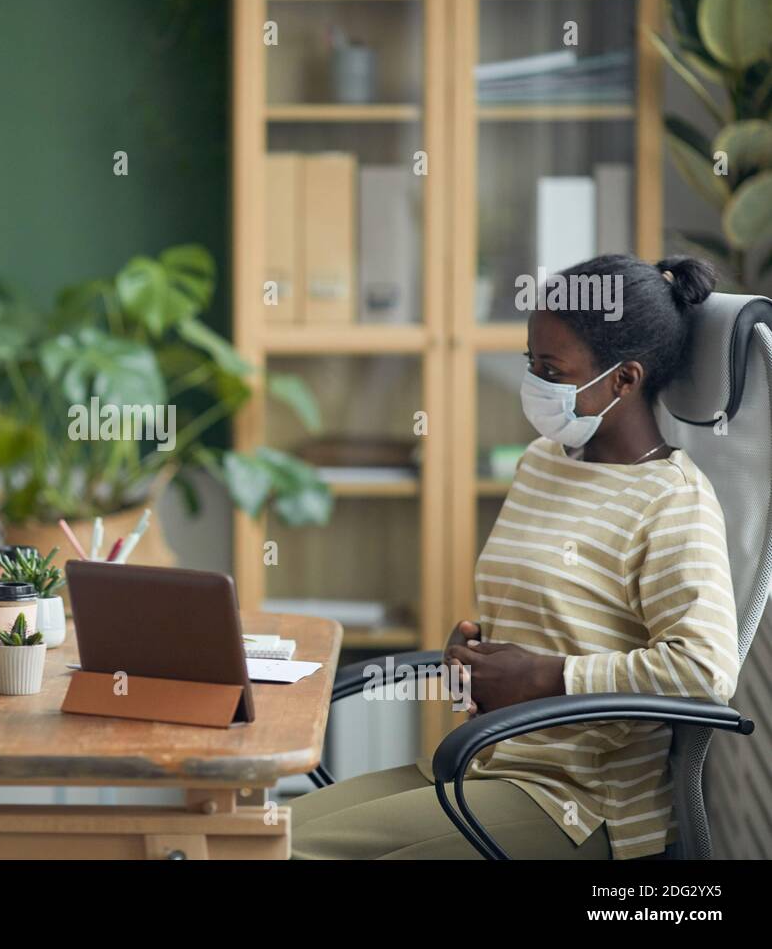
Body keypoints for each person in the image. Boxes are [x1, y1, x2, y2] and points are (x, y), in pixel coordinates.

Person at [291, 255, 740, 860]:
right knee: (258, 834)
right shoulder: (542, 462)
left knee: (291, 852)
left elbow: (706, 672)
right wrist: (474, 659)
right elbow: (545, 619)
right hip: (483, 759)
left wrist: (544, 677)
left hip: (578, 803)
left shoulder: (672, 502)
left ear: (624, 379)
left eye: (551, 369)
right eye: (530, 361)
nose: (533, 381)